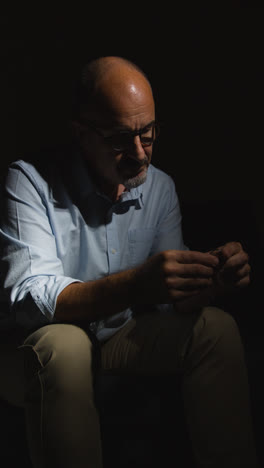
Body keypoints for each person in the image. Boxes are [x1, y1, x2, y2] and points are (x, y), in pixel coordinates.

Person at [0, 55, 259, 468]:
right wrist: (136, 285)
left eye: (148, 133)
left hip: (117, 338)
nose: (139, 154)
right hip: (34, 345)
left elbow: (169, 306)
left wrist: (208, 283)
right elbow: (29, 299)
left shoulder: (159, 188)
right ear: (81, 134)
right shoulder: (28, 181)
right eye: (121, 139)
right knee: (65, 347)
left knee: (216, 327)